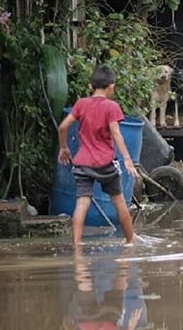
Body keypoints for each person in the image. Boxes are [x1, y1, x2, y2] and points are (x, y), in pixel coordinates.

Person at [58, 64, 139, 245]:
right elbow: (116, 133)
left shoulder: (81, 104)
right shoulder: (112, 107)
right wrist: (127, 159)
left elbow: (63, 127)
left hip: (82, 163)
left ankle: (77, 244)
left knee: (82, 202)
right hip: (105, 163)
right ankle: (130, 241)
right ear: (111, 87)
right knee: (119, 202)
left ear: (91, 86)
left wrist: (63, 148)